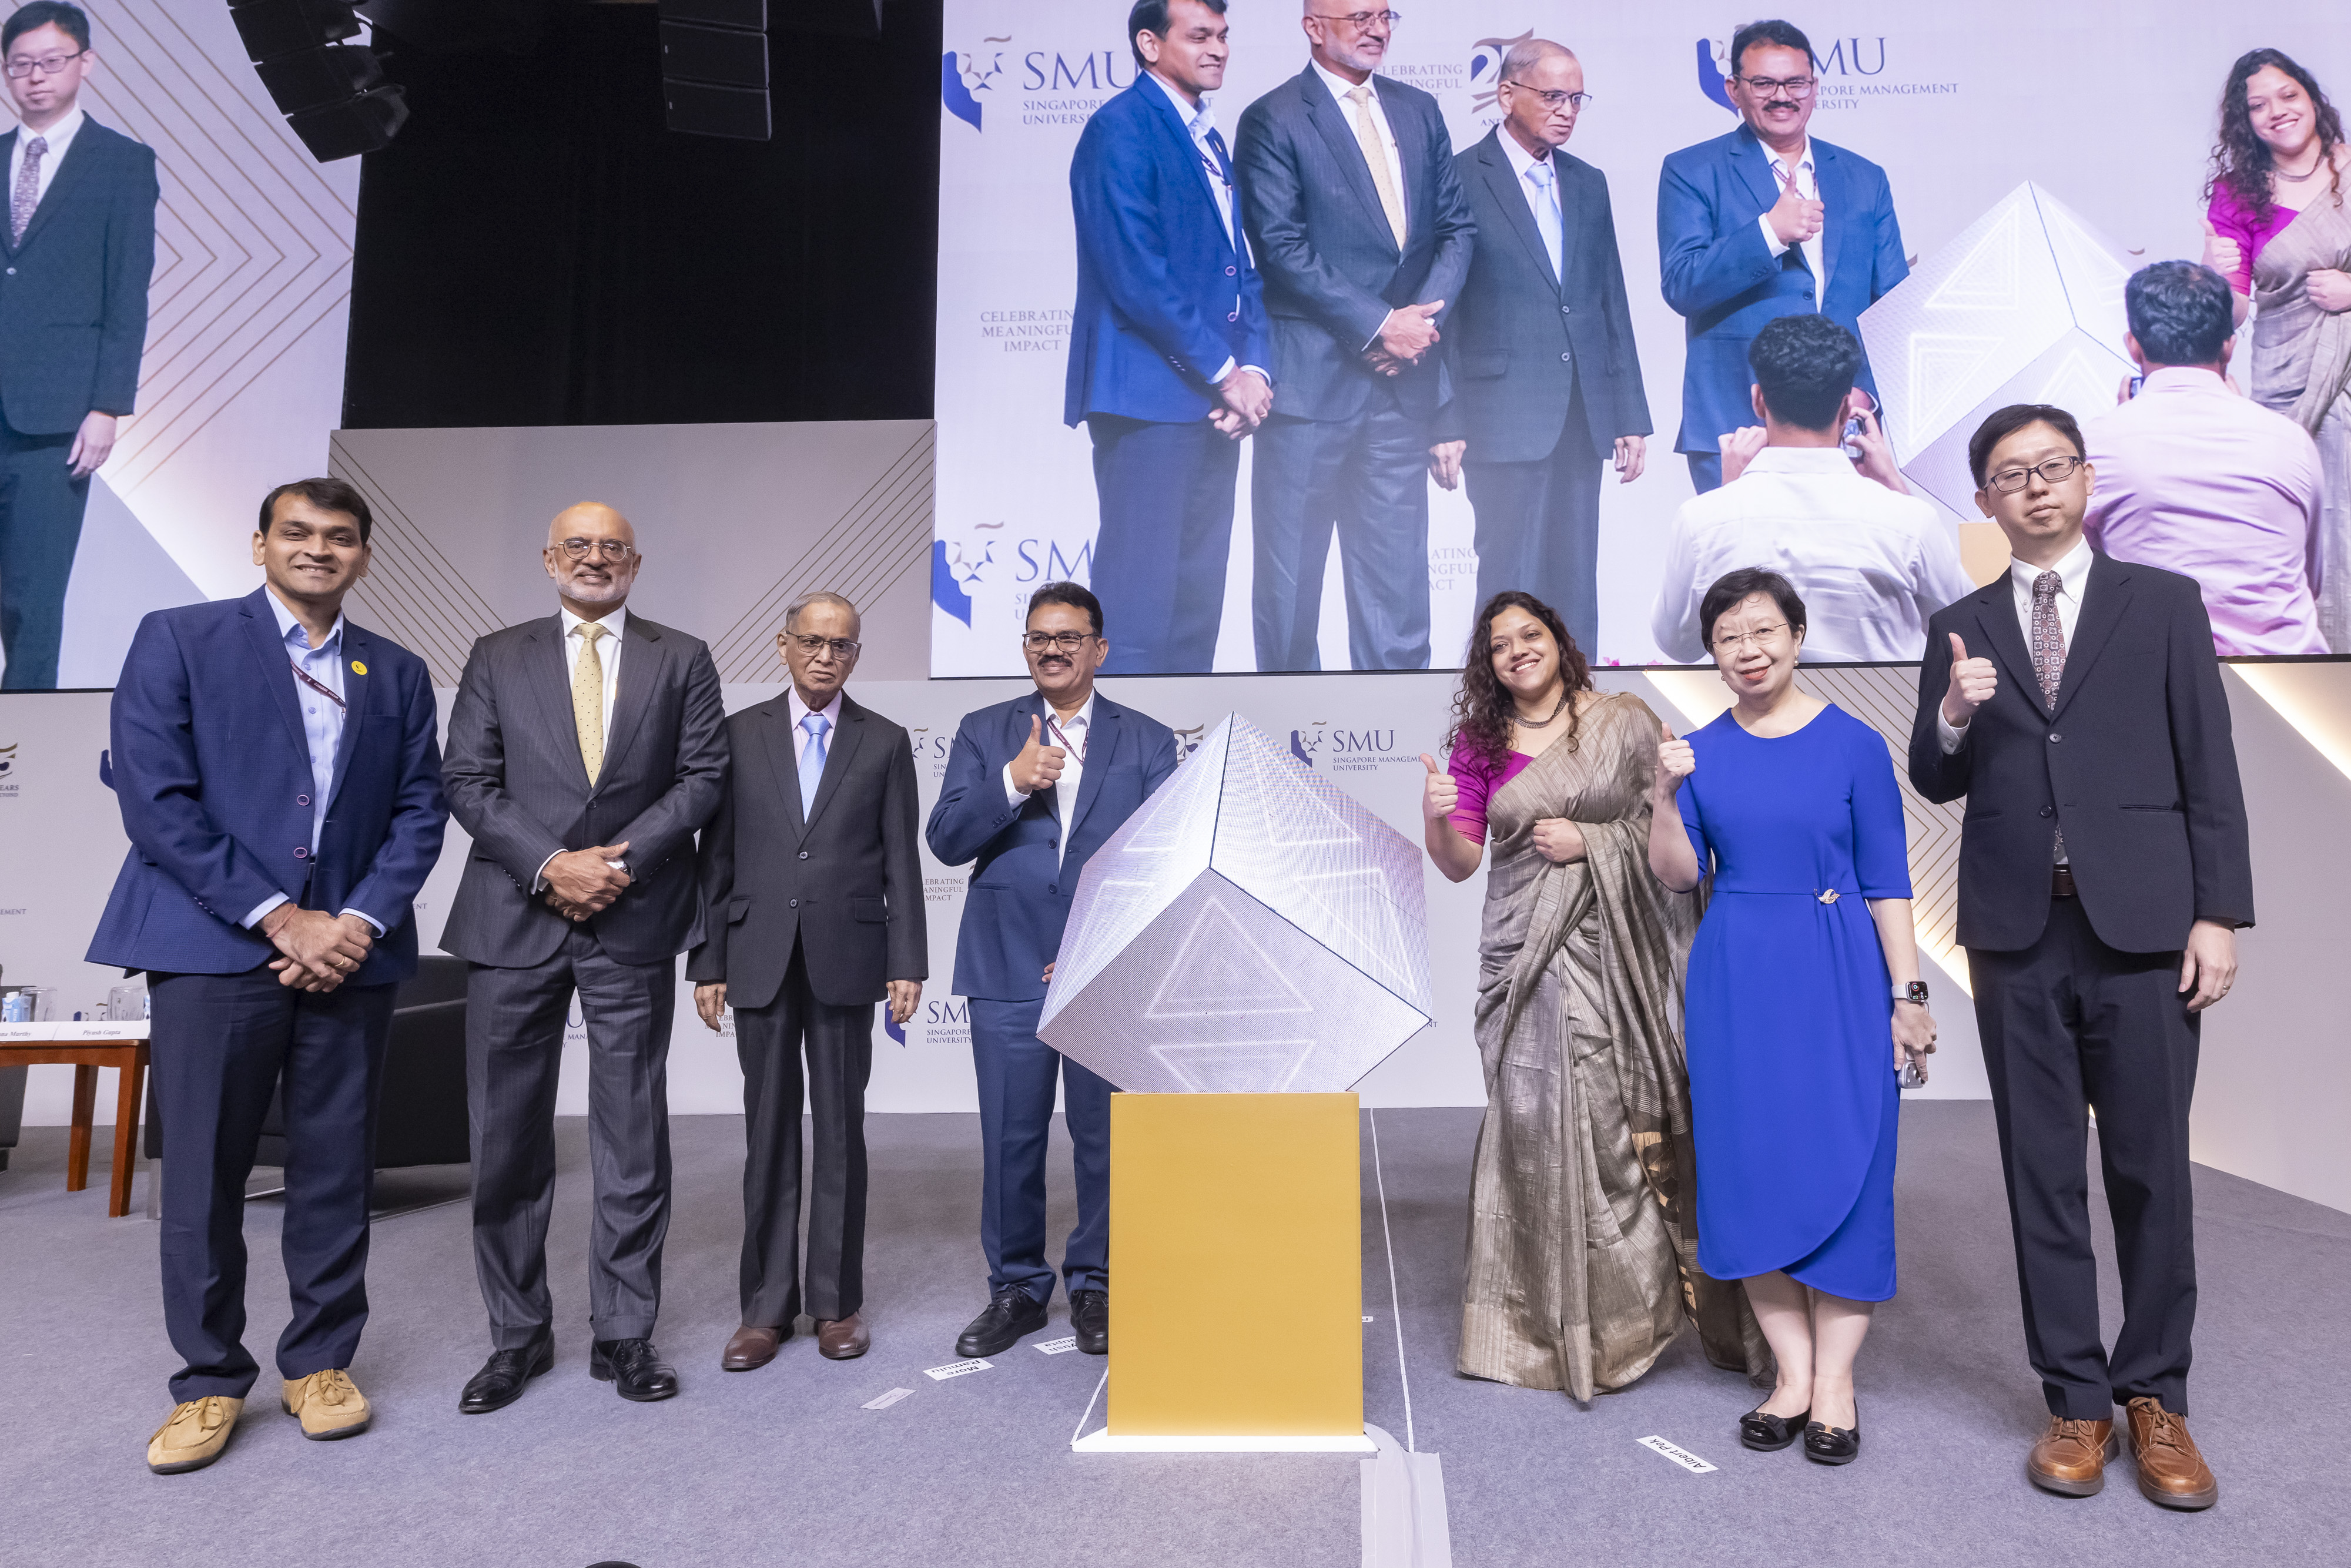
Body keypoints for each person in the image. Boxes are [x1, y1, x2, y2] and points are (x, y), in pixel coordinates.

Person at [1908, 405, 2253, 1509]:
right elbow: (1934, 775)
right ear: (1985, 501)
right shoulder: (1959, 622)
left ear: (2087, 477)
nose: (2038, 487)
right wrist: (1954, 718)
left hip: (2147, 927)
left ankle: (2157, 1394)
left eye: (2053, 466)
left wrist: (2218, 913)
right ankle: (2076, 1397)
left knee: (2151, 1168)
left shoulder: (2164, 604)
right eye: (2013, 475)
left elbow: (2210, 761)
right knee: (2041, 1173)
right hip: (2017, 932)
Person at [89, 478, 447, 1475]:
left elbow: (421, 807)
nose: (318, 549)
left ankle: (321, 1362)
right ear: (260, 545)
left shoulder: (398, 670)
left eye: (340, 537)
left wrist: (354, 923)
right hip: (216, 950)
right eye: (298, 533)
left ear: (364, 556)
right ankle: (207, 1379)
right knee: (203, 1173)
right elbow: (158, 801)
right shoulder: (180, 638)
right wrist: (281, 918)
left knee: (337, 1169)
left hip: (350, 957)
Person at [1418, 590, 1760, 1402]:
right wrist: (1437, 817)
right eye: (1499, 645)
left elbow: (1673, 837)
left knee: (1612, 1126)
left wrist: (1592, 840)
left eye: (1529, 634)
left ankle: (1629, 1318)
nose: (1516, 651)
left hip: (1615, 959)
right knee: (1533, 1129)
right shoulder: (1480, 742)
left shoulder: (1623, 720)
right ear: (1488, 664)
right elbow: (1462, 863)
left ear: (1559, 641)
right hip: (1520, 959)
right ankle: (1545, 1323)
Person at [441, 502, 728, 1412]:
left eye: (612, 547)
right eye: (579, 545)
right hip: (514, 919)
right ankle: (517, 1337)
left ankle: (624, 1334)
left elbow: (703, 779)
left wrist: (616, 864)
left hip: (632, 917)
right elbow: (467, 781)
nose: (595, 558)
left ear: (635, 564)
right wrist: (551, 865)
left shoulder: (682, 656)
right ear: (548, 558)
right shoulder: (496, 654)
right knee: (506, 1139)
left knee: (632, 1137)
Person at [1648, 567, 1937, 1468]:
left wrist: (1909, 994)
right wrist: (1661, 794)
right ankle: (1794, 1376)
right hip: (1738, 976)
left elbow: (1889, 879)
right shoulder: (1698, 753)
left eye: (1764, 630)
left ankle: (1840, 1385)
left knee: (1850, 1163)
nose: (1749, 649)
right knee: (1749, 1171)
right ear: (1714, 653)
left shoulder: (1853, 744)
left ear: (1799, 636)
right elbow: (1678, 875)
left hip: (1839, 969)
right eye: (1730, 636)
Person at [925, 581, 1178, 1358]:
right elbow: (945, 840)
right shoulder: (984, 731)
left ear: (1099, 649)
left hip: (1103, 970)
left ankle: (1096, 1284)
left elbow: (1163, 857)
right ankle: (1018, 1289)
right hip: (1005, 963)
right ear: (1026, 648)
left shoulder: (1149, 741)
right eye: (1039, 637)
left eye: (1070, 637)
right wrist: (1011, 782)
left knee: (1106, 1138)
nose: (1053, 649)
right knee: (1011, 1137)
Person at [689, 592, 925, 1372]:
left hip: (847, 959)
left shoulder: (884, 742)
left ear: (857, 654)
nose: (827, 656)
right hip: (757, 955)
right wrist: (709, 960)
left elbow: (901, 863)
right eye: (813, 642)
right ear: (783, 645)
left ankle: (834, 1302)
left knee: (839, 1133)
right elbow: (713, 860)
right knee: (767, 1133)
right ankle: (764, 1309)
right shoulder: (735, 735)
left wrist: (906, 961)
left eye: (843, 645)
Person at [1234, 2, 1474, 671]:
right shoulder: (1273, 116)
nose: (1375, 28)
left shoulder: (1419, 109)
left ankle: (1399, 756)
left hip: (1403, 393)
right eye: (1357, 15)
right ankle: (1283, 756)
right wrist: (1377, 325)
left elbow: (1456, 229)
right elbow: (1279, 247)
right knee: (1289, 599)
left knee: (1398, 598)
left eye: (1384, 14)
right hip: (1310, 392)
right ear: (1313, 25)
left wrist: (1419, 324)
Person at [1065, 0, 1272, 675]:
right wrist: (1225, 373)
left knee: (1195, 608)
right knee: (1137, 610)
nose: (1217, 49)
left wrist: (1257, 374)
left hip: (1212, 407)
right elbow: (1137, 273)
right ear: (1149, 45)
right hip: (1148, 401)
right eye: (1199, 36)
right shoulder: (1120, 129)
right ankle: (1123, 772)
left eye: (1222, 36)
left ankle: (1181, 757)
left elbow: (1242, 267)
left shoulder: (1208, 135)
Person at [1426, 41, 1650, 658]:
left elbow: (1610, 301)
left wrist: (1628, 414)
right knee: (1508, 580)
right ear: (1506, 95)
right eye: (1552, 96)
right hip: (1496, 414)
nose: (1567, 111)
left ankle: (1580, 717)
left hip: (1582, 413)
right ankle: (1493, 723)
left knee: (1575, 577)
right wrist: (1441, 417)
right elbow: (1437, 308)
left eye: (1576, 98)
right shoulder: (1457, 177)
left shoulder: (1588, 183)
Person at [1658, 18, 1905, 495]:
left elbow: (1892, 307)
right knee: (1745, 571)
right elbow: (1683, 284)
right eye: (1764, 83)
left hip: (1842, 426)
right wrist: (1769, 232)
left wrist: (1865, 395)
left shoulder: (1864, 177)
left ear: (1814, 87)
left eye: (1795, 82)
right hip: (1737, 425)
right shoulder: (1690, 170)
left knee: (1840, 569)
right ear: (1733, 89)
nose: (1782, 96)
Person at [1650, 314, 1971, 662]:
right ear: (1848, 407)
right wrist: (1895, 487)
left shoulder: (1702, 519)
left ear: (1758, 400)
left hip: (1756, 716)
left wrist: (1727, 494)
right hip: (1880, 717)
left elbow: (1676, 644)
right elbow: (1968, 632)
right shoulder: (1910, 521)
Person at [0, 2, 156, 690]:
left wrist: (107, 405)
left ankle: (17, 760)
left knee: (32, 600)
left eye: (49, 61)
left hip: (56, 416)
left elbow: (127, 293)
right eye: (19, 64)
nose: (34, 77)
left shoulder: (121, 164)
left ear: (84, 64)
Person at [2088, 260, 2326, 656]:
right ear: (2229, 346)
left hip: (2158, 685)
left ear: (2133, 344)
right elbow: (2308, 576)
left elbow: (2080, 577)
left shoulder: (2096, 444)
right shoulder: (2290, 441)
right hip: (2292, 687)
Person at [2200, 49, 2351, 651]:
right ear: (2245, 123)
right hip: (2285, 387)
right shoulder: (2235, 195)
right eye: (2257, 106)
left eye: (2286, 95)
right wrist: (2216, 273)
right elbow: (2230, 316)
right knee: (2305, 531)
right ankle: (2321, 662)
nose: (2276, 113)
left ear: (2310, 96)